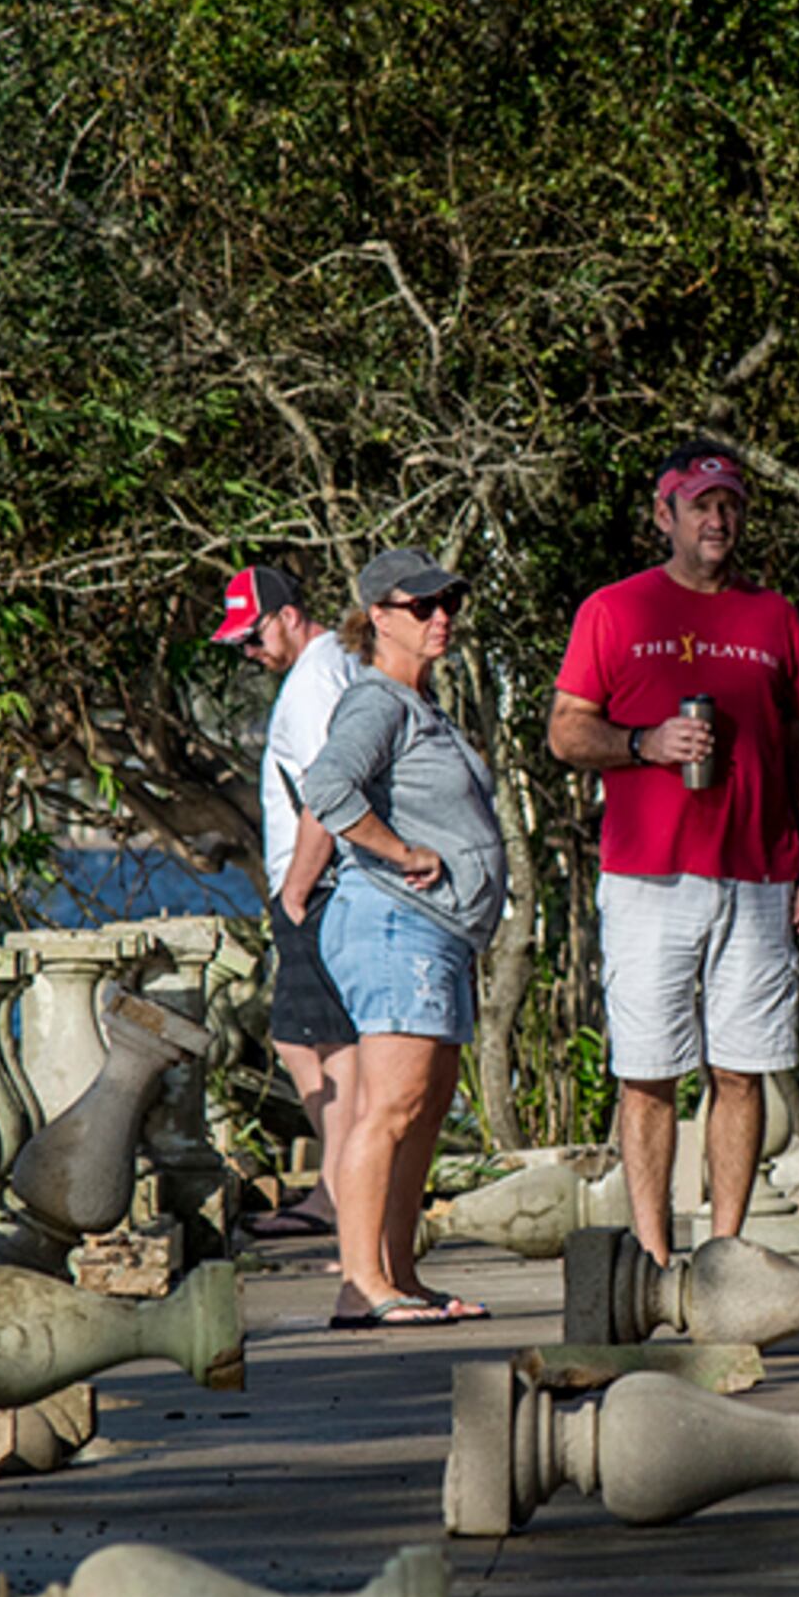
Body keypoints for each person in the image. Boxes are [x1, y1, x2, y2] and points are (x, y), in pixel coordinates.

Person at [548, 445, 799, 1263]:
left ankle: (724, 1258)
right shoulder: (614, 610)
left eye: (731, 505)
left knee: (742, 1070)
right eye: (701, 504)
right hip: (648, 878)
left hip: (757, 874)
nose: (718, 519)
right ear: (663, 513)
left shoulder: (771, 614)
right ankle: (652, 1257)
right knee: (648, 1074)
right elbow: (567, 729)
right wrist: (645, 741)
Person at [292, 548, 509, 1329]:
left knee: (425, 1108)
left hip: (440, 933)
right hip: (395, 924)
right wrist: (400, 851)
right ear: (378, 617)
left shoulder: (420, 704)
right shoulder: (377, 700)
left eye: (448, 601)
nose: (440, 616)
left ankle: (400, 1274)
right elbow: (326, 787)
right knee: (390, 1105)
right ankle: (360, 1284)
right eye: (422, 606)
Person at [212, 561, 364, 1240]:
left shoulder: (312, 684)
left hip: (322, 886)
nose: (251, 653)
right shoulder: (335, 667)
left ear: (289, 615)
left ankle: (343, 1188)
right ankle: (347, 1184)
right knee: (320, 1040)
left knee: (317, 1042)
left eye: (254, 636)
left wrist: (297, 888)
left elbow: (326, 794)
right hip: (329, 883)